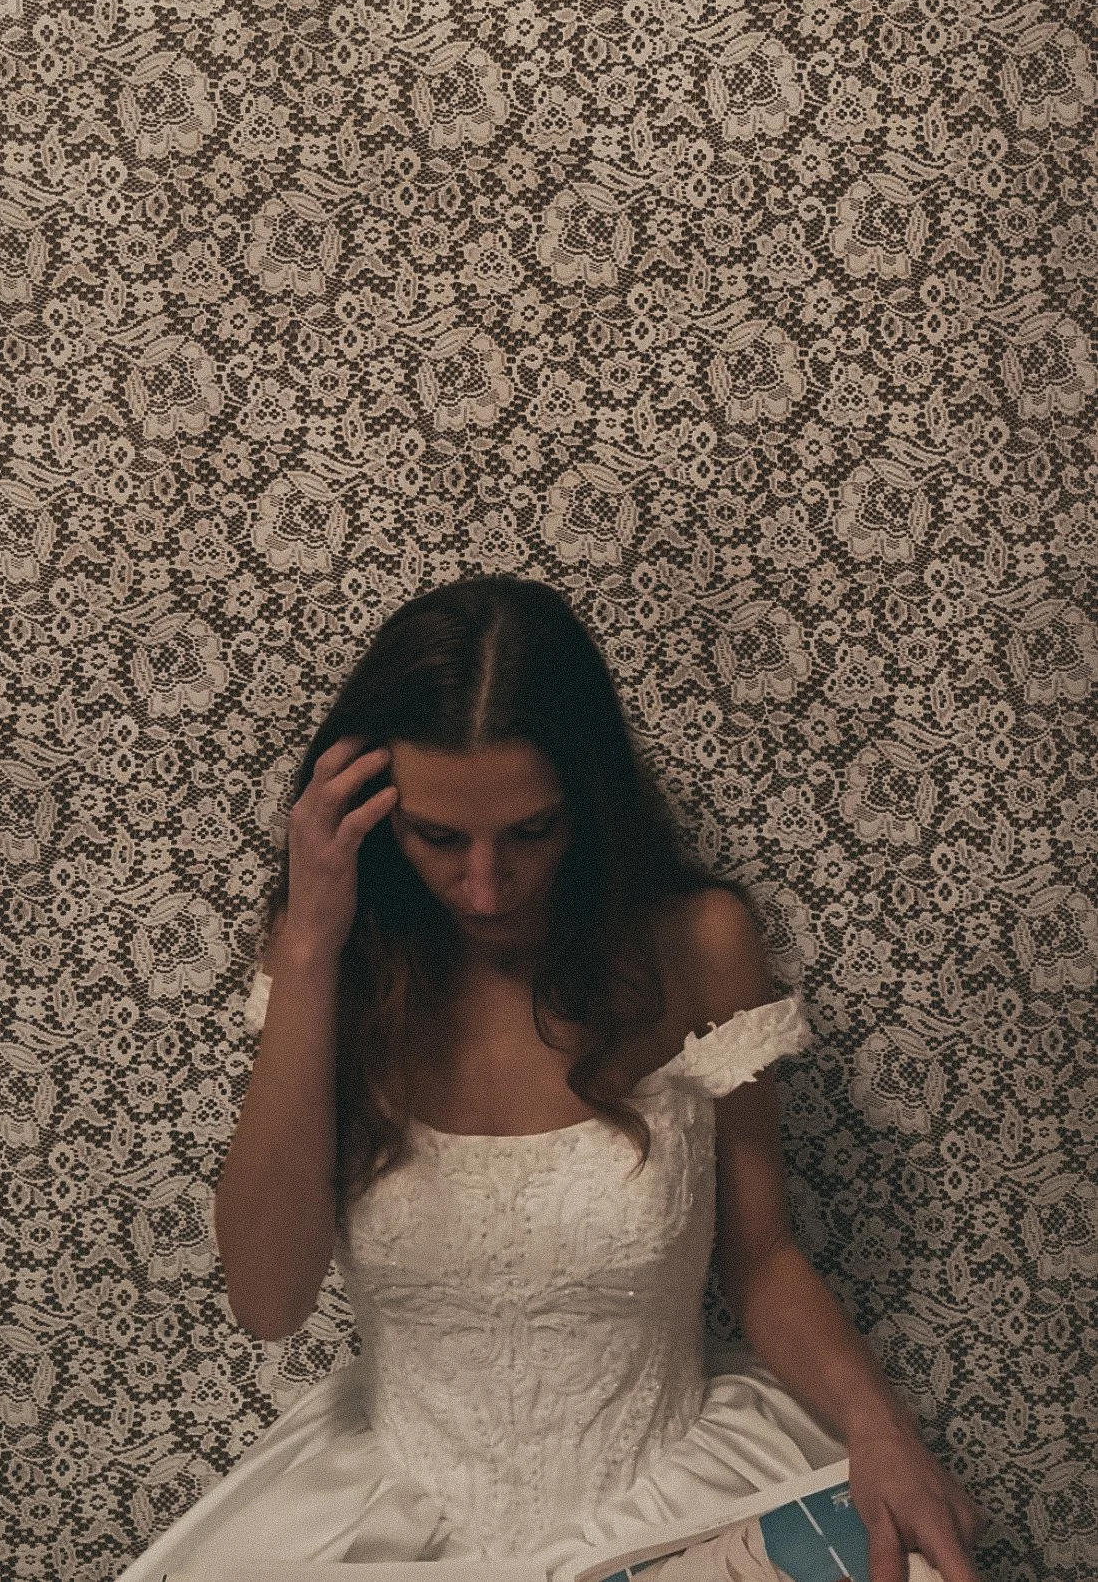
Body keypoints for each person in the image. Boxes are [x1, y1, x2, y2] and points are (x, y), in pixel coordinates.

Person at [115, 575, 986, 1582]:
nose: (486, 888)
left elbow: (762, 1258)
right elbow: (268, 1301)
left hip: (672, 1503)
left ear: (589, 804)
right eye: (440, 837)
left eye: (531, 832)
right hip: (399, 1528)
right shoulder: (336, 966)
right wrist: (310, 942)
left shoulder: (698, 945)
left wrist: (880, 1429)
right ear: (370, 815)